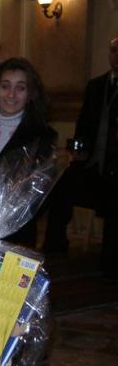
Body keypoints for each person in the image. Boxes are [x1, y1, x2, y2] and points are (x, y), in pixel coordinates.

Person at [43, 37, 118, 279]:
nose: (116, 55)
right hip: (91, 165)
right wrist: (79, 149)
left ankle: (109, 267)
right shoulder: (96, 86)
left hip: (115, 170)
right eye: (114, 50)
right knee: (59, 187)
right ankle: (54, 248)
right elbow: (84, 122)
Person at [0, 57, 57, 247]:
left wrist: (10, 216)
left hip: (17, 232)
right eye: (5, 86)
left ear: (31, 94)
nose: (11, 94)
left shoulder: (42, 136)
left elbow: (41, 194)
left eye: (20, 88)